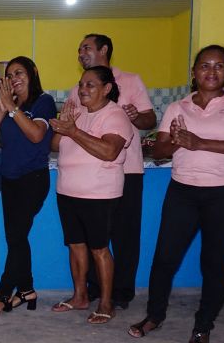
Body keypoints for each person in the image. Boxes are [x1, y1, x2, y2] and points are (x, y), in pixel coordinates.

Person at [128, 45, 224, 343]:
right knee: (164, 258)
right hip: (183, 191)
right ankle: (153, 316)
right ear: (194, 72)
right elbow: (159, 151)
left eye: (218, 66)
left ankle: (203, 326)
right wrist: (176, 141)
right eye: (204, 65)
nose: (211, 71)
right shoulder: (178, 107)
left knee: (213, 263)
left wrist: (199, 142)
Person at [65, 34, 156, 309]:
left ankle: (122, 292)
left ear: (104, 50)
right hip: (88, 176)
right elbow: (72, 127)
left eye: (86, 48)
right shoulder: (76, 90)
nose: (81, 52)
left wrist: (134, 116)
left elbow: (150, 118)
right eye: (79, 48)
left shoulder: (130, 80)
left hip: (126, 170)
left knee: (124, 234)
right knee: (93, 237)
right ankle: (93, 288)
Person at [49, 66, 133, 325]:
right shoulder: (79, 114)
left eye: (90, 85)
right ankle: (80, 296)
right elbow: (54, 147)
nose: (83, 89)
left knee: (99, 249)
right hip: (68, 190)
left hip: (99, 194)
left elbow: (109, 151)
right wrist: (63, 127)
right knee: (75, 245)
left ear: (107, 88)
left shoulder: (115, 116)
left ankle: (106, 303)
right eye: (81, 84)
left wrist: (72, 130)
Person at [0, 56, 55, 316]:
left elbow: (36, 135)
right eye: (10, 75)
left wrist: (12, 108)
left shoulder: (43, 102)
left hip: (32, 179)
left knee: (18, 236)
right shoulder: (9, 107)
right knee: (16, 239)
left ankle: (2, 293)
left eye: (19, 73)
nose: (14, 79)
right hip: (8, 180)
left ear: (33, 73)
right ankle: (26, 289)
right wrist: (3, 109)